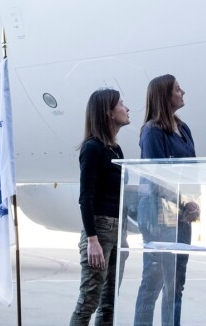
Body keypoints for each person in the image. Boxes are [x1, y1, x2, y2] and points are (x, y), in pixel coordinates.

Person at [134, 74, 199, 326]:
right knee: (153, 281)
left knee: (176, 283)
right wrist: (184, 202)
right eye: (178, 90)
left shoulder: (183, 129)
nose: (183, 93)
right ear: (164, 96)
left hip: (181, 211)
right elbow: (156, 177)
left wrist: (191, 201)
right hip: (157, 210)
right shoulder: (151, 131)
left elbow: (193, 170)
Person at [70, 88, 131, 326]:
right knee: (89, 300)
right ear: (108, 112)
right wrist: (93, 240)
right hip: (100, 229)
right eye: (121, 104)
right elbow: (85, 197)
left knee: (109, 303)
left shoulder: (116, 150)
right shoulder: (92, 148)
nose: (126, 109)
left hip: (117, 231)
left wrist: (123, 237)